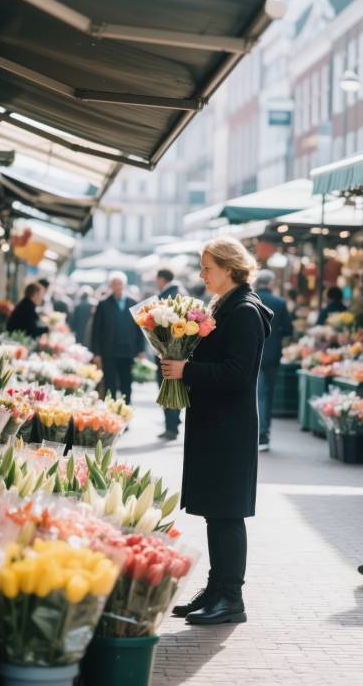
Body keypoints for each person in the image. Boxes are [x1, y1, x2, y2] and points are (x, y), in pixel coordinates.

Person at [162, 237, 272, 626]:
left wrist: (186, 370)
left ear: (230, 268)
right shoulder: (224, 307)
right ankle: (216, 587)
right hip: (216, 425)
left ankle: (231, 597)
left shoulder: (244, 311)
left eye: (208, 267)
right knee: (215, 512)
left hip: (229, 429)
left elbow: (238, 374)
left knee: (227, 513)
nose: (202, 274)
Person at [91, 271, 145, 404]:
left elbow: (141, 329)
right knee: (110, 386)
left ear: (124, 285)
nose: (117, 286)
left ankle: (126, 416)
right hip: (109, 352)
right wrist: (96, 353)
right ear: (110, 286)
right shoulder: (103, 304)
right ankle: (111, 418)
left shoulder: (134, 303)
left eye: (120, 283)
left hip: (128, 352)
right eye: (114, 284)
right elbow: (96, 331)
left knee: (127, 386)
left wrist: (141, 350)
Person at [255, 270, 293, 452]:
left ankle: (253, 434)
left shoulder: (249, 299)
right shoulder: (279, 302)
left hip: (249, 354)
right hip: (271, 356)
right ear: (270, 284)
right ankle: (263, 435)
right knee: (266, 395)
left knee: (253, 395)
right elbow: (288, 330)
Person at [155, 269, 183, 441]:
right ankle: (173, 425)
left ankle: (171, 427)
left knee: (167, 390)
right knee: (174, 389)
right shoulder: (181, 293)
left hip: (167, 351)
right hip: (179, 352)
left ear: (161, 279)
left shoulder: (168, 296)